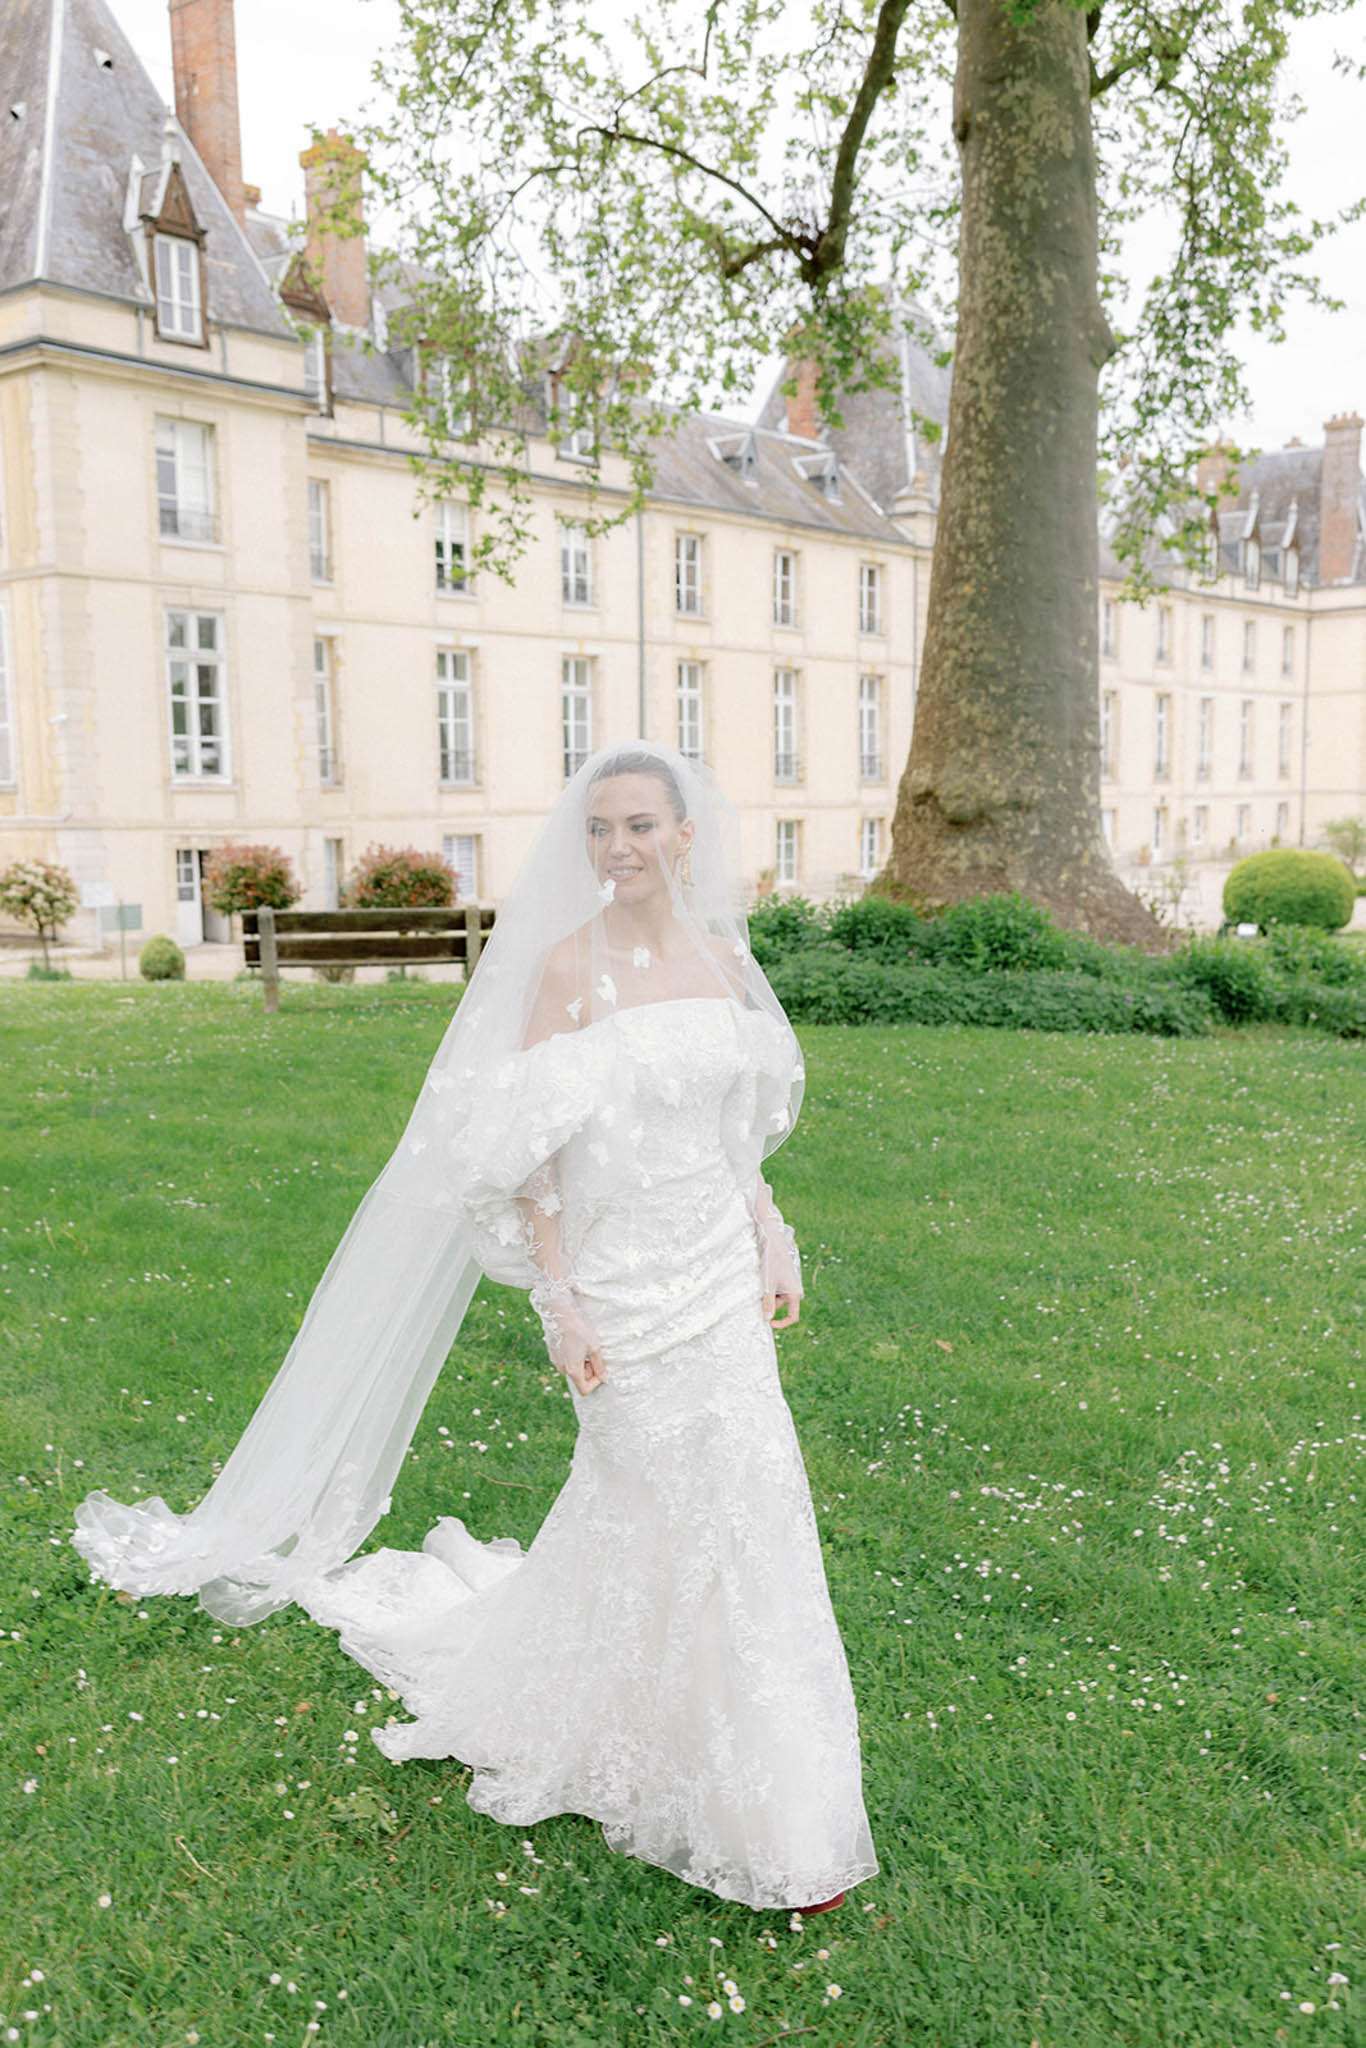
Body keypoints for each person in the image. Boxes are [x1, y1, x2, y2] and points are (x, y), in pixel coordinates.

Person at [72, 740, 878, 1913]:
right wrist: (558, 1298)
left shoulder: (717, 962)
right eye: (601, 828)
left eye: (641, 825)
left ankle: (772, 1797)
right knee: (655, 1501)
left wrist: (771, 1229)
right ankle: (643, 1730)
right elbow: (526, 1158)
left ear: (685, 836)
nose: (619, 847)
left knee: (750, 1505)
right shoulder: (564, 972)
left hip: (714, 1276)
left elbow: (729, 1131)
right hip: (621, 1290)